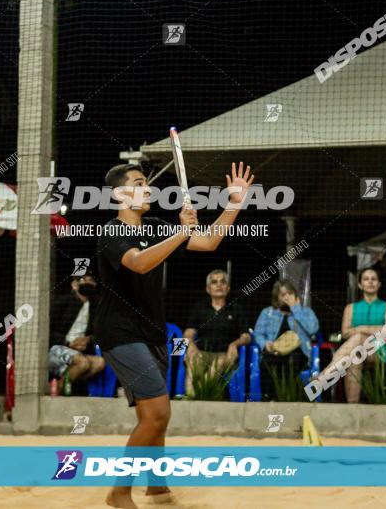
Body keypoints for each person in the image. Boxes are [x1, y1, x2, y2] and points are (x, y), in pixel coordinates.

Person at [95, 161, 254, 509]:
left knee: (151, 417)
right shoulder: (110, 232)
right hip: (119, 333)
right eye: (139, 183)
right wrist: (180, 233)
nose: (148, 188)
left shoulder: (153, 225)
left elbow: (209, 242)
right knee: (158, 414)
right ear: (120, 193)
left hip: (152, 332)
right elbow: (138, 263)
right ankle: (119, 491)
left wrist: (234, 204)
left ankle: (156, 487)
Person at [318, 267, 386, 403]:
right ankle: (353, 409)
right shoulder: (350, 308)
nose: (370, 282)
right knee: (354, 358)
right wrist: (373, 330)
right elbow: (345, 333)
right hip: (356, 351)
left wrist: (360, 328)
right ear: (360, 284)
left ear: (379, 284)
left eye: (373, 279)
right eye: (366, 279)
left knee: (357, 338)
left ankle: (325, 375)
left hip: (380, 350)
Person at [182, 270, 251, 397]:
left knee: (218, 364)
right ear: (208, 289)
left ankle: (201, 397)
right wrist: (190, 345)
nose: (219, 285)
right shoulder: (199, 307)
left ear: (228, 288)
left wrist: (234, 345)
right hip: (202, 353)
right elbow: (188, 332)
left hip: (226, 355)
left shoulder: (237, 308)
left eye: (222, 282)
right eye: (214, 282)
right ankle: (190, 401)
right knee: (191, 361)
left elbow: (246, 337)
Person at [253, 279, 319, 400]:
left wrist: (296, 310)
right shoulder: (267, 313)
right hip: (274, 351)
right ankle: (270, 398)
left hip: (298, 353)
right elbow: (258, 334)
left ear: (295, 295)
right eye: (283, 294)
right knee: (267, 362)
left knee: (293, 360)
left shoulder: (306, 312)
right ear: (276, 297)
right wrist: (264, 344)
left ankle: (291, 397)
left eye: (290, 293)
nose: (287, 297)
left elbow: (313, 329)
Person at [47, 270, 105, 386]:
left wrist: (87, 339)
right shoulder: (63, 302)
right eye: (84, 280)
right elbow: (47, 329)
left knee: (100, 363)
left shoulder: (95, 307)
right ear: (75, 285)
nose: (88, 283)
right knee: (82, 363)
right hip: (56, 350)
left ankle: (60, 385)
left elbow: (100, 332)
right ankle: (57, 389)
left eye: (91, 280)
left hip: (79, 352)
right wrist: (68, 343)